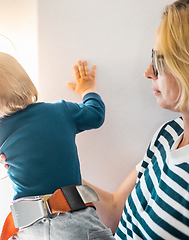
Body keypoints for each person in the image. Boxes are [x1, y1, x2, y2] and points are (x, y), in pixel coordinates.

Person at [0, 52, 114, 239]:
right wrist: (88, 89)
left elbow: (7, 161)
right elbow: (96, 115)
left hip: (30, 228)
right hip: (75, 221)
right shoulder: (61, 111)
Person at [80, 0, 189, 239]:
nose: (148, 71)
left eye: (160, 60)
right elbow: (116, 210)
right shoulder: (168, 134)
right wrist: (56, 173)